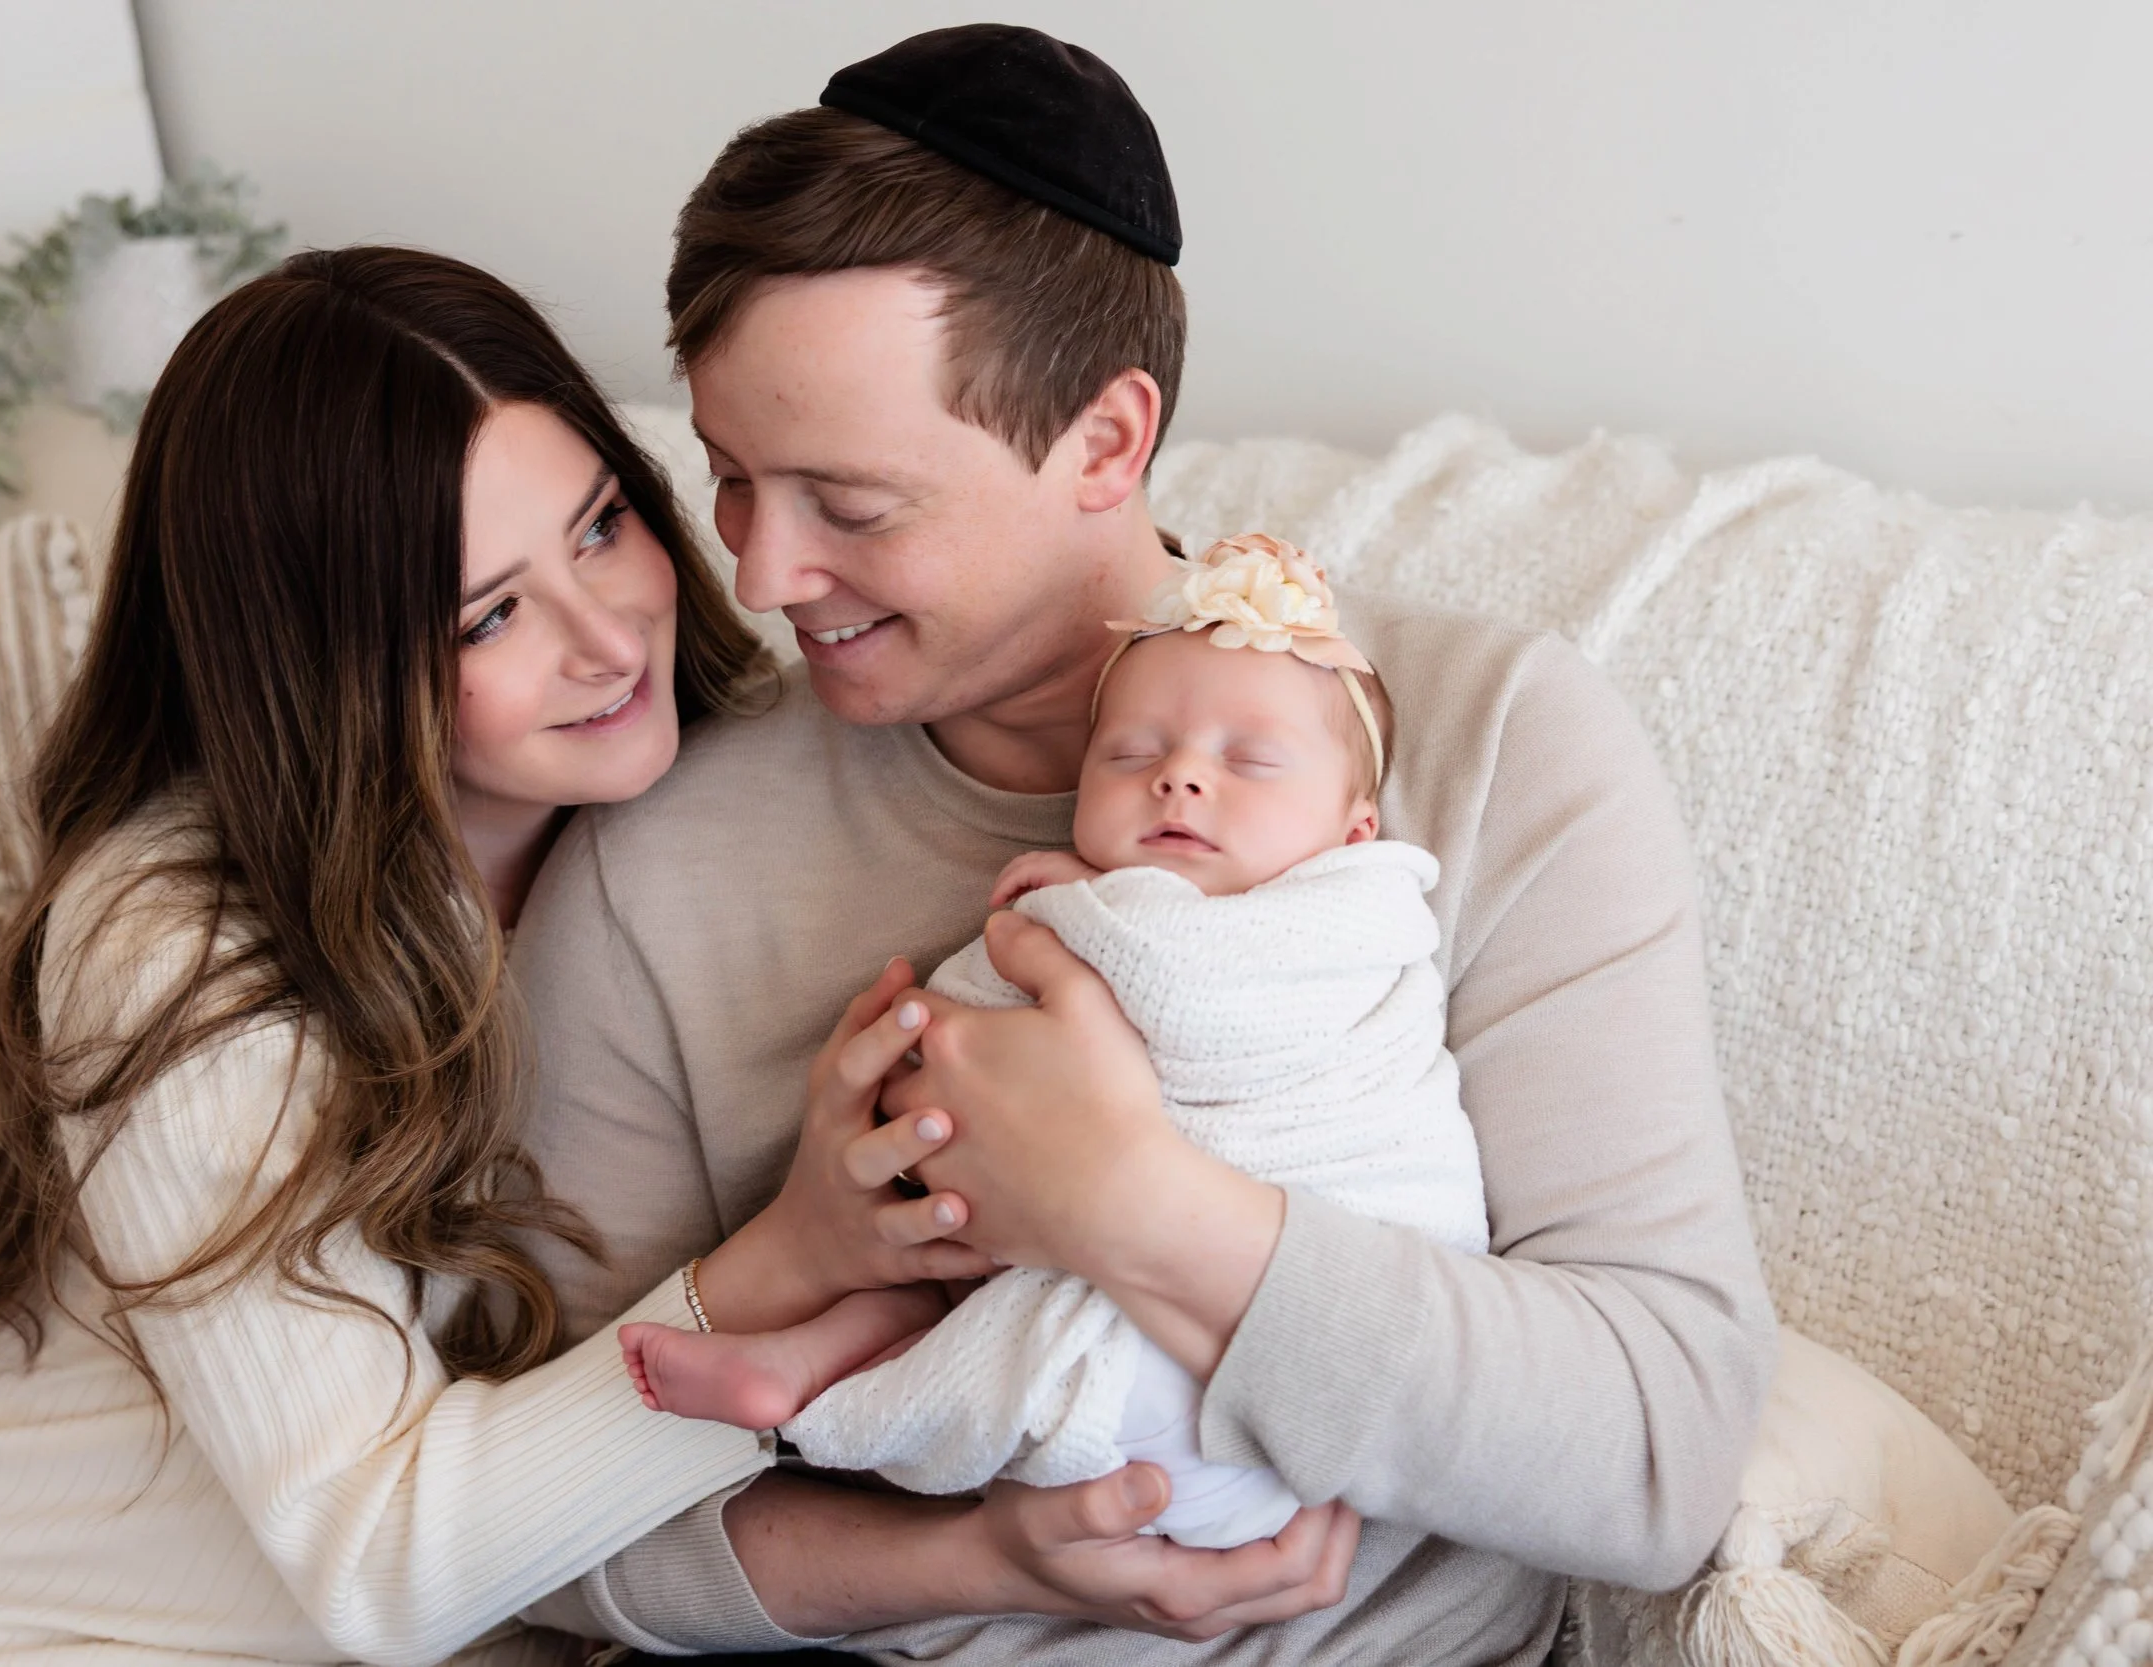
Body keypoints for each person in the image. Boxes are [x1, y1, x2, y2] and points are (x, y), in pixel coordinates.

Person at [0, 246, 1355, 1667]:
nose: (609, 636)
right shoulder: (176, 941)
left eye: (603, 524)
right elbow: (382, 1562)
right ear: (331, 677)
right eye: (486, 618)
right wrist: (793, 1263)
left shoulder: (704, 790)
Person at [514, 23, 1779, 1666]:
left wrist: (1121, 1197)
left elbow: (1660, 1455)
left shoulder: (1488, 744)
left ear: (1108, 440)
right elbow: (529, 1513)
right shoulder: (658, 860)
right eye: (731, 478)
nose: (758, 576)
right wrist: (979, 1555)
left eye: (851, 500)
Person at [619, 534, 1489, 1555]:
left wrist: (1086, 922)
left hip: (1251, 1391)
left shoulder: (1349, 919)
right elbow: (963, 1049)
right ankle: (804, 1371)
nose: (1180, 780)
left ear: (1354, 832)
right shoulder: (1083, 906)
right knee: (942, 1276)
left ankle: (836, 1404)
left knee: (1020, 1315)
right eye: (1131, 754)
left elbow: (1206, 1010)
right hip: (1078, 1314)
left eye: (1247, 760)